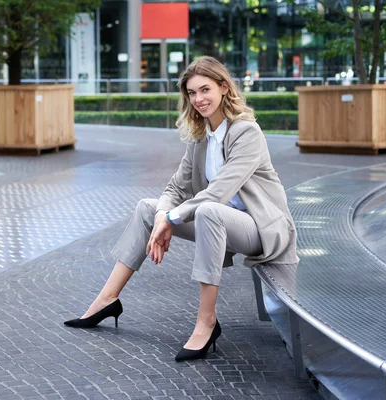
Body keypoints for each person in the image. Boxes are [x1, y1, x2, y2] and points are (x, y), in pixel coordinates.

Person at [64, 56, 299, 362]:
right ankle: (107, 299)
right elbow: (175, 188)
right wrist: (163, 215)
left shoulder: (246, 132)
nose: (199, 99)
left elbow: (218, 192)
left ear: (224, 87)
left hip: (262, 229)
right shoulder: (201, 137)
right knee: (147, 208)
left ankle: (207, 321)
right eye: (192, 93)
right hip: (221, 225)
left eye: (205, 89)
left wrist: (172, 219)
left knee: (208, 210)